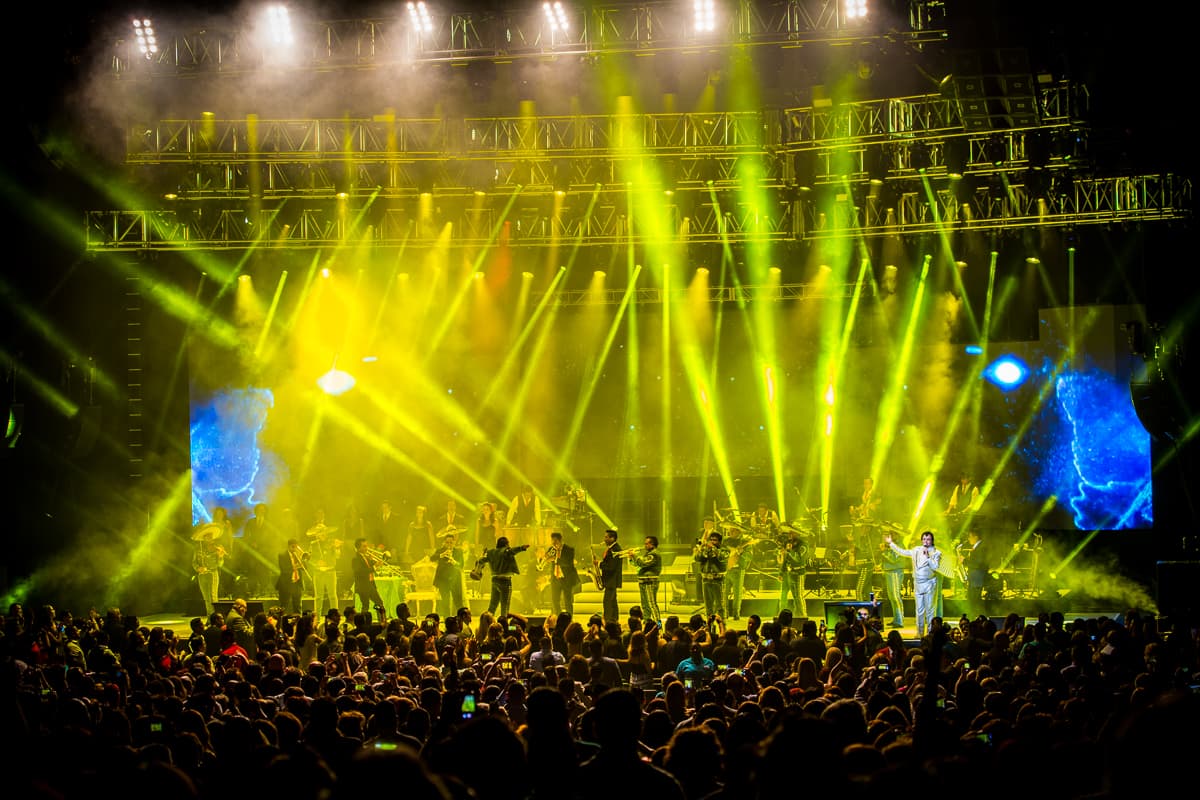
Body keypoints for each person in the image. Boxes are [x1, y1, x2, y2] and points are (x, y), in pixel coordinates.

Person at [884, 530, 942, 637]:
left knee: (930, 610)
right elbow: (902, 552)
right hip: (918, 583)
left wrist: (928, 557)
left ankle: (930, 633)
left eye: (928, 539)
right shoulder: (916, 550)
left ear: (932, 541)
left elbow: (935, 567)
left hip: (929, 583)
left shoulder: (936, 553)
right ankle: (919, 633)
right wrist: (891, 543)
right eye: (924, 539)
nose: (926, 541)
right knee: (919, 610)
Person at [477, 536, 530, 619]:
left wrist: (478, 567)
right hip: (505, 581)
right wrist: (522, 548)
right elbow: (512, 551)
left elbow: (481, 560)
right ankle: (504, 625)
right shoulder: (506, 551)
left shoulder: (491, 552)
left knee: (493, 604)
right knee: (505, 605)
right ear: (506, 544)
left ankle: (487, 622)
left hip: (494, 580)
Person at [307, 509, 342, 615]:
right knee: (318, 597)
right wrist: (316, 563)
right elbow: (309, 559)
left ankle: (335, 615)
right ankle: (316, 618)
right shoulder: (313, 544)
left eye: (323, 532)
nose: (321, 534)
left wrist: (337, 549)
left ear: (326, 533)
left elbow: (338, 556)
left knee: (332, 595)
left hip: (330, 571)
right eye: (319, 533)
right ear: (316, 534)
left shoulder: (332, 543)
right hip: (318, 572)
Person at [191, 522, 226, 616]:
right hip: (202, 575)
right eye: (206, 536)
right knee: (206, 597)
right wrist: (198, 569)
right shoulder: (198, 548)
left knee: (213, 597)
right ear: (203, 537)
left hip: (212, 574)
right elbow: (194, 562)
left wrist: (221, 556)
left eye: (210, 536)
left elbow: (220, 564)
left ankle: (216, 618)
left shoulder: (217, 547)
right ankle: (209, 617)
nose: (208, 538)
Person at [694, 530, 729, 620]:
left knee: (720, 605)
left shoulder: (724, 550)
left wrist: (713, 548)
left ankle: (722, 626)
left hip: (718, 580)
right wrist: (701, 548)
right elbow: (697, 558)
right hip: (705, 580)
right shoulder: (706, 549)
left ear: (720, 542)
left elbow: (721, 557)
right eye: (711, 540)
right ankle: (710, 627)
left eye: (715, 540)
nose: (712, 542)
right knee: (708, 606)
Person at [351, 537, 388, 623]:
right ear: (358, 547)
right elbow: (360, 571)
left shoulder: (366, 557)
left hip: (370, 585)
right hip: (363, 586)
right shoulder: (355, 558)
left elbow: (371, 565)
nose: (366, 548)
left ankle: (381, 621)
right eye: (364, 546)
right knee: (366, 605)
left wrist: (380, 561)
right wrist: (374, 567)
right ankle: (364, 623)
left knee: (378, 603)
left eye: (366, 546)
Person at [627, 536, 663, 625]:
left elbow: (643, 563)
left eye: (647, 543)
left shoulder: (654, 554)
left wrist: (634, 555)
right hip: (644, 582)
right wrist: (631, 558)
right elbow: (637, 564)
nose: (645, 545)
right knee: (645, 605)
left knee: (652, 604)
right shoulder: (647, 554)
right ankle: (647, 623)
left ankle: (658, 626)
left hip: (650, 582)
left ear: (652, 544)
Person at [543, 531, 579, 618]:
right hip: (555, 578)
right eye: (552, 541)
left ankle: (569, 618)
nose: (554, 543)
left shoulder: (569, 549)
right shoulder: (551, 549)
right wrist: (545, 558)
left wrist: (555, 559)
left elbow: (568, 563)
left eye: (555, 541)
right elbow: (547, 558)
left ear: (560, 540)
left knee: (567, 600)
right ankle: (559, 618)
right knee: (555, 600)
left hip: (566, 578)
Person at [433, 530, 467, 620]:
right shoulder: (440, 551)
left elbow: (461, 565)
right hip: (443, 580)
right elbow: (432, 558)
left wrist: (454, 561)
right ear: (444, 542)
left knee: (458, 601)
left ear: (454, 542)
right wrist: (441, 555)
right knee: (445, 602)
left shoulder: (459, 551)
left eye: (451, 542)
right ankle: (447, 620)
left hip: (455, 579)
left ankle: (461, 620)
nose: (449, 544)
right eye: (447, 542)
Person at [722, 523, 751, 620]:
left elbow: (748, 557)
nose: (730, 532)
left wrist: (741, 553)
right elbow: (722, 552)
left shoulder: (745, 542)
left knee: (737, 594)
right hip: (727, 569)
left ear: (738, 531)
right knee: (724, 593)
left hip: (738, 570)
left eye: (733, 530)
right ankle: (724, 613)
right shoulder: (725, 541)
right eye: (730, 530)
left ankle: (736, 614)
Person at [878, 534, 908, 628]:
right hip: (890, 571)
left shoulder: (899, 545)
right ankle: (896, 619)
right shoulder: (892, 544)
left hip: (895, 572)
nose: (888, 536)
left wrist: (884, 551)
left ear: (896, 535)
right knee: (892, 597)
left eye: (891, 534)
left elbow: (893, 559)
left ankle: (900, 620)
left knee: (895, 596)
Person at [777, 527, 808, 617]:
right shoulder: (787, 543)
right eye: (789, 532)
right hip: (788, 573)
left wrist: (789, 551)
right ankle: (781, 615)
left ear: (797, 534)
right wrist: (781, 572)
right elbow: (785, 559)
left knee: (798, 596)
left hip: (798, 573)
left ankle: (802, 616)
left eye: (792, 532)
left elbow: (798, 558)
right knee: (783, 594)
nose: (789, 534)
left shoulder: (803, 545)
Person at [960, 529, 990, 616]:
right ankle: (975, 618)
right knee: (972, 601)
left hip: (977, 579)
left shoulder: (981, 547)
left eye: (970, 537)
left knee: (976, 601)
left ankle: (980, 620)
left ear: (976, 537)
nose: (968, 539)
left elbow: (978, 563)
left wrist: (964, 561)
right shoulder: (977, 547)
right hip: (974, 578)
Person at [596, 529, 623, 624]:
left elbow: (611, 566)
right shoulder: (612, 548)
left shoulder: (615, 549)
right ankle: (614, 619)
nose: (604, 539)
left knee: (607, 602)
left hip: (611, 580)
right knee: (612, 602)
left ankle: (608, 622)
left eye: (606, 537)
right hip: (611, 580)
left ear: (613, 538)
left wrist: (599, 564)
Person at [276, 538, 307, 614]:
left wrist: (302, 559)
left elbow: (305, 568)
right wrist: (295, 566)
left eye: (296, 547)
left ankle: (298, 623)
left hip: (297, 584)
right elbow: (284, 569)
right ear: (288, 546)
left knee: (297, 606)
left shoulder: (298, 555)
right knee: (284, 606)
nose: (294, 549)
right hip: (286, 584)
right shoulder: (282, 555)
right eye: (293, 547)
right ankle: (281, 623)